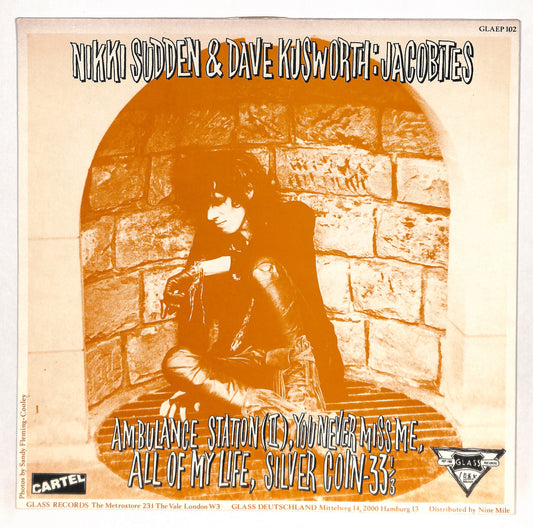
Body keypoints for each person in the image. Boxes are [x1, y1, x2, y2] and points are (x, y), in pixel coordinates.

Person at [159, 151, 345, 419]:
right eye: (205, 205)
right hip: (250, 362)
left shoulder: (293, 218)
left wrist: (201, 269)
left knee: (263, 268)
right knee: (176, 360)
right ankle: (280, 411)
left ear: (247, 190)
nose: (210, 214)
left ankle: (299, 405)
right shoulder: (210, 238)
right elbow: (195, 324)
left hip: (303, 361)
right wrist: (195, 384)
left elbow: (261, 260)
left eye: (217, 202)